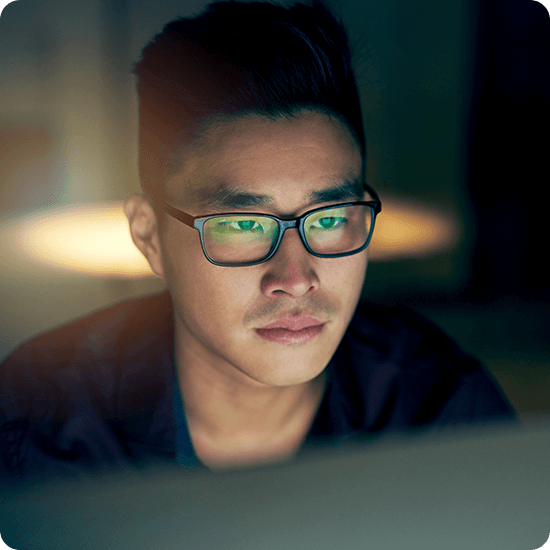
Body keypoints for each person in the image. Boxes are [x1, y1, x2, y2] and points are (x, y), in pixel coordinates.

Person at [0, 0, 515, 484]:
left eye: (331, 217)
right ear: (149, 236)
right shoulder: (36, 427)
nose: (295, 279)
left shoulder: (442, 412)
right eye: (241, 224)